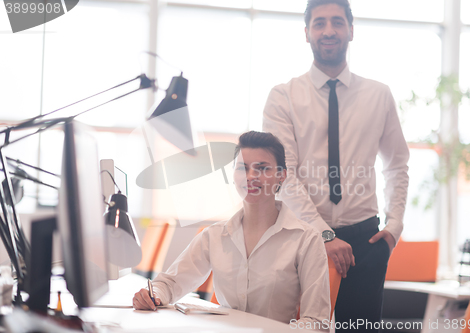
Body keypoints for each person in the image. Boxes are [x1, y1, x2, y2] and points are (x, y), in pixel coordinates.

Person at [262, 0, 410, 331]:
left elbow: (397, 162)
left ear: (351, 31)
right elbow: (283, 174)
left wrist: (395, 224)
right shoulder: (282, 97)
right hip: (300, 236)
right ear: (307, 33)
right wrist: (324, 234)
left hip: (365, 241)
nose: (329, 30)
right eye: (319, 23)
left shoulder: (379, 95)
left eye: (337, 22)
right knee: (293, 328)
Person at [133, 131, 331, 330]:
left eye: (262, 168)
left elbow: (317, 322)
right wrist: (153, 295)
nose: (251, 176)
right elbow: (170, 284)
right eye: (242, 168)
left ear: (281, 175)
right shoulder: (215, 236)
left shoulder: (306, 240)